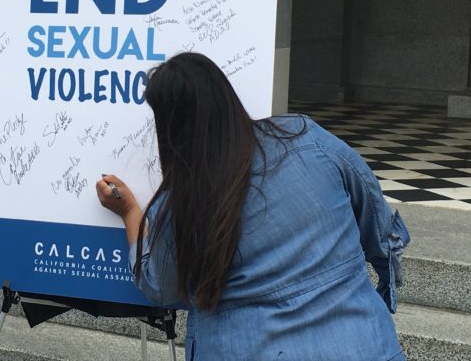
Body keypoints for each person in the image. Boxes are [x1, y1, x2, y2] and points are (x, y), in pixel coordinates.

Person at [96, 52, 409, 361]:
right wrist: (381, 289)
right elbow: (373, 213)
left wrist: (130, 212)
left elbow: (160, 287)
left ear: (169, 127)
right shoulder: (306, 137)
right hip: (363, 342)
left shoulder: (179, 202)